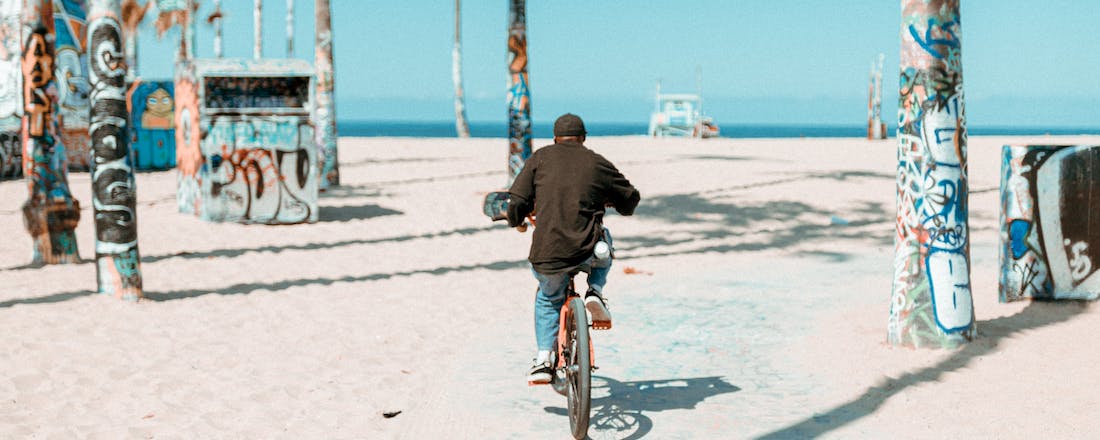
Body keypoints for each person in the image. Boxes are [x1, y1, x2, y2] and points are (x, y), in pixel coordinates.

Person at [507, 113, 641, 384]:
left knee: (548, 298)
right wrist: (614, 203)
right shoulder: (596, 161)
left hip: (549, 254)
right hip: (588, 250)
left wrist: (515, 220)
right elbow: (630, 199)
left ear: (555, 138)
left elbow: (516, 201)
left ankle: (545, 359)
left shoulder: (540, 159)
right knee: (606, 240)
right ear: (583, 138)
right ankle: (596, 291)